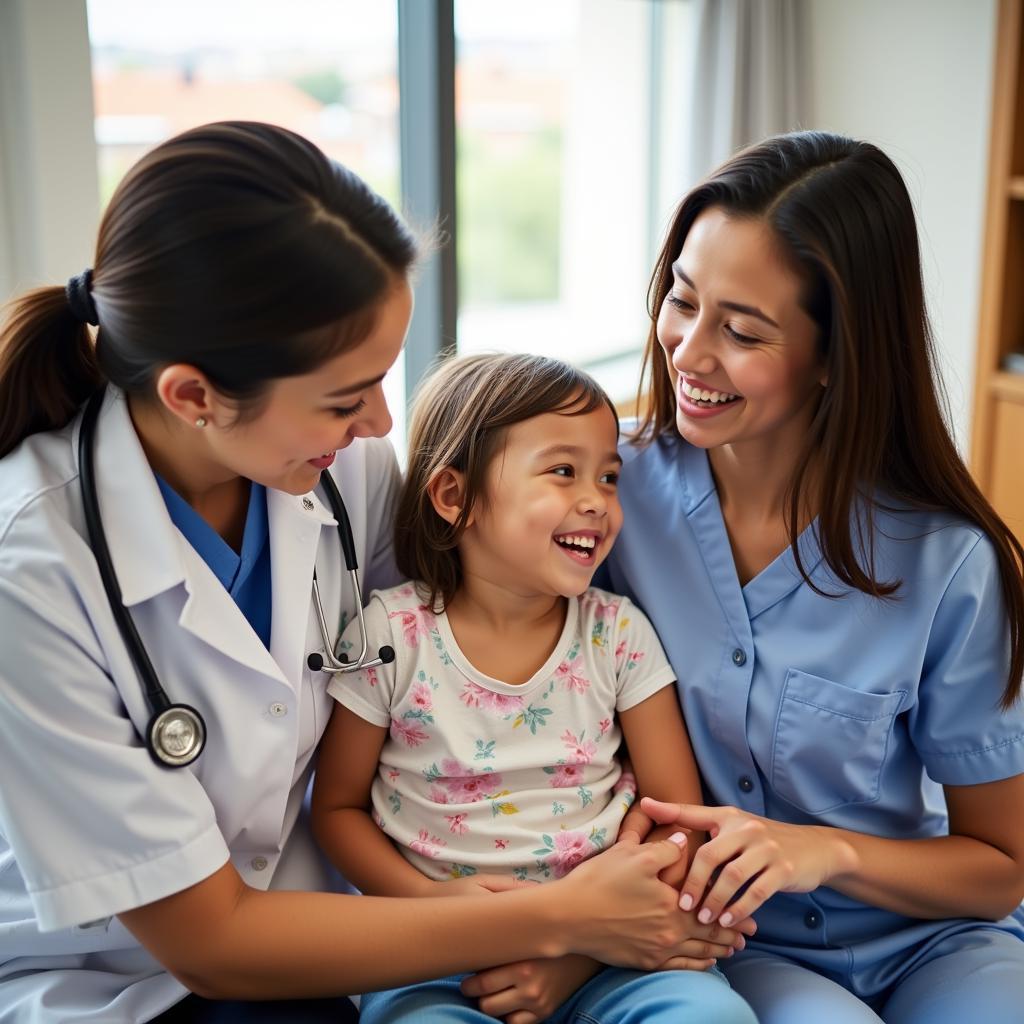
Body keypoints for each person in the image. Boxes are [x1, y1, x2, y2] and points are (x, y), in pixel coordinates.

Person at [0, 122, 737, 1024]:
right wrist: (561, 922)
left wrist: (573, 928)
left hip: (334, 929)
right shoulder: (30, 568)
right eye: (347, 399)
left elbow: (441, 637)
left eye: (384, 380)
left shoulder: (338, 472)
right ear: (193, 396)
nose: (384, 424)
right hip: (115, 969)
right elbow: (212, 943)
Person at [596, 129, 1024, 1023]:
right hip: (733, 944)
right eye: (682, 299)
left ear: (836, 355)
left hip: (934, 937)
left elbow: (998, 870)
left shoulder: (947, 564)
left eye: (743, 329)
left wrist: (825, 851)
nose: (689, 350)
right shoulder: (605, 503)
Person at [311, 352, 758, 1024]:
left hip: (608, 953)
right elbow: (336, 811)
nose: (597, 501)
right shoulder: (390, 636)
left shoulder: (618, 635)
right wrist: (429, 906)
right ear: (454, 497)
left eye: (609, 477)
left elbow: (678, 819)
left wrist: (578, 947)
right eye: (563, 471)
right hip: (441, 959)